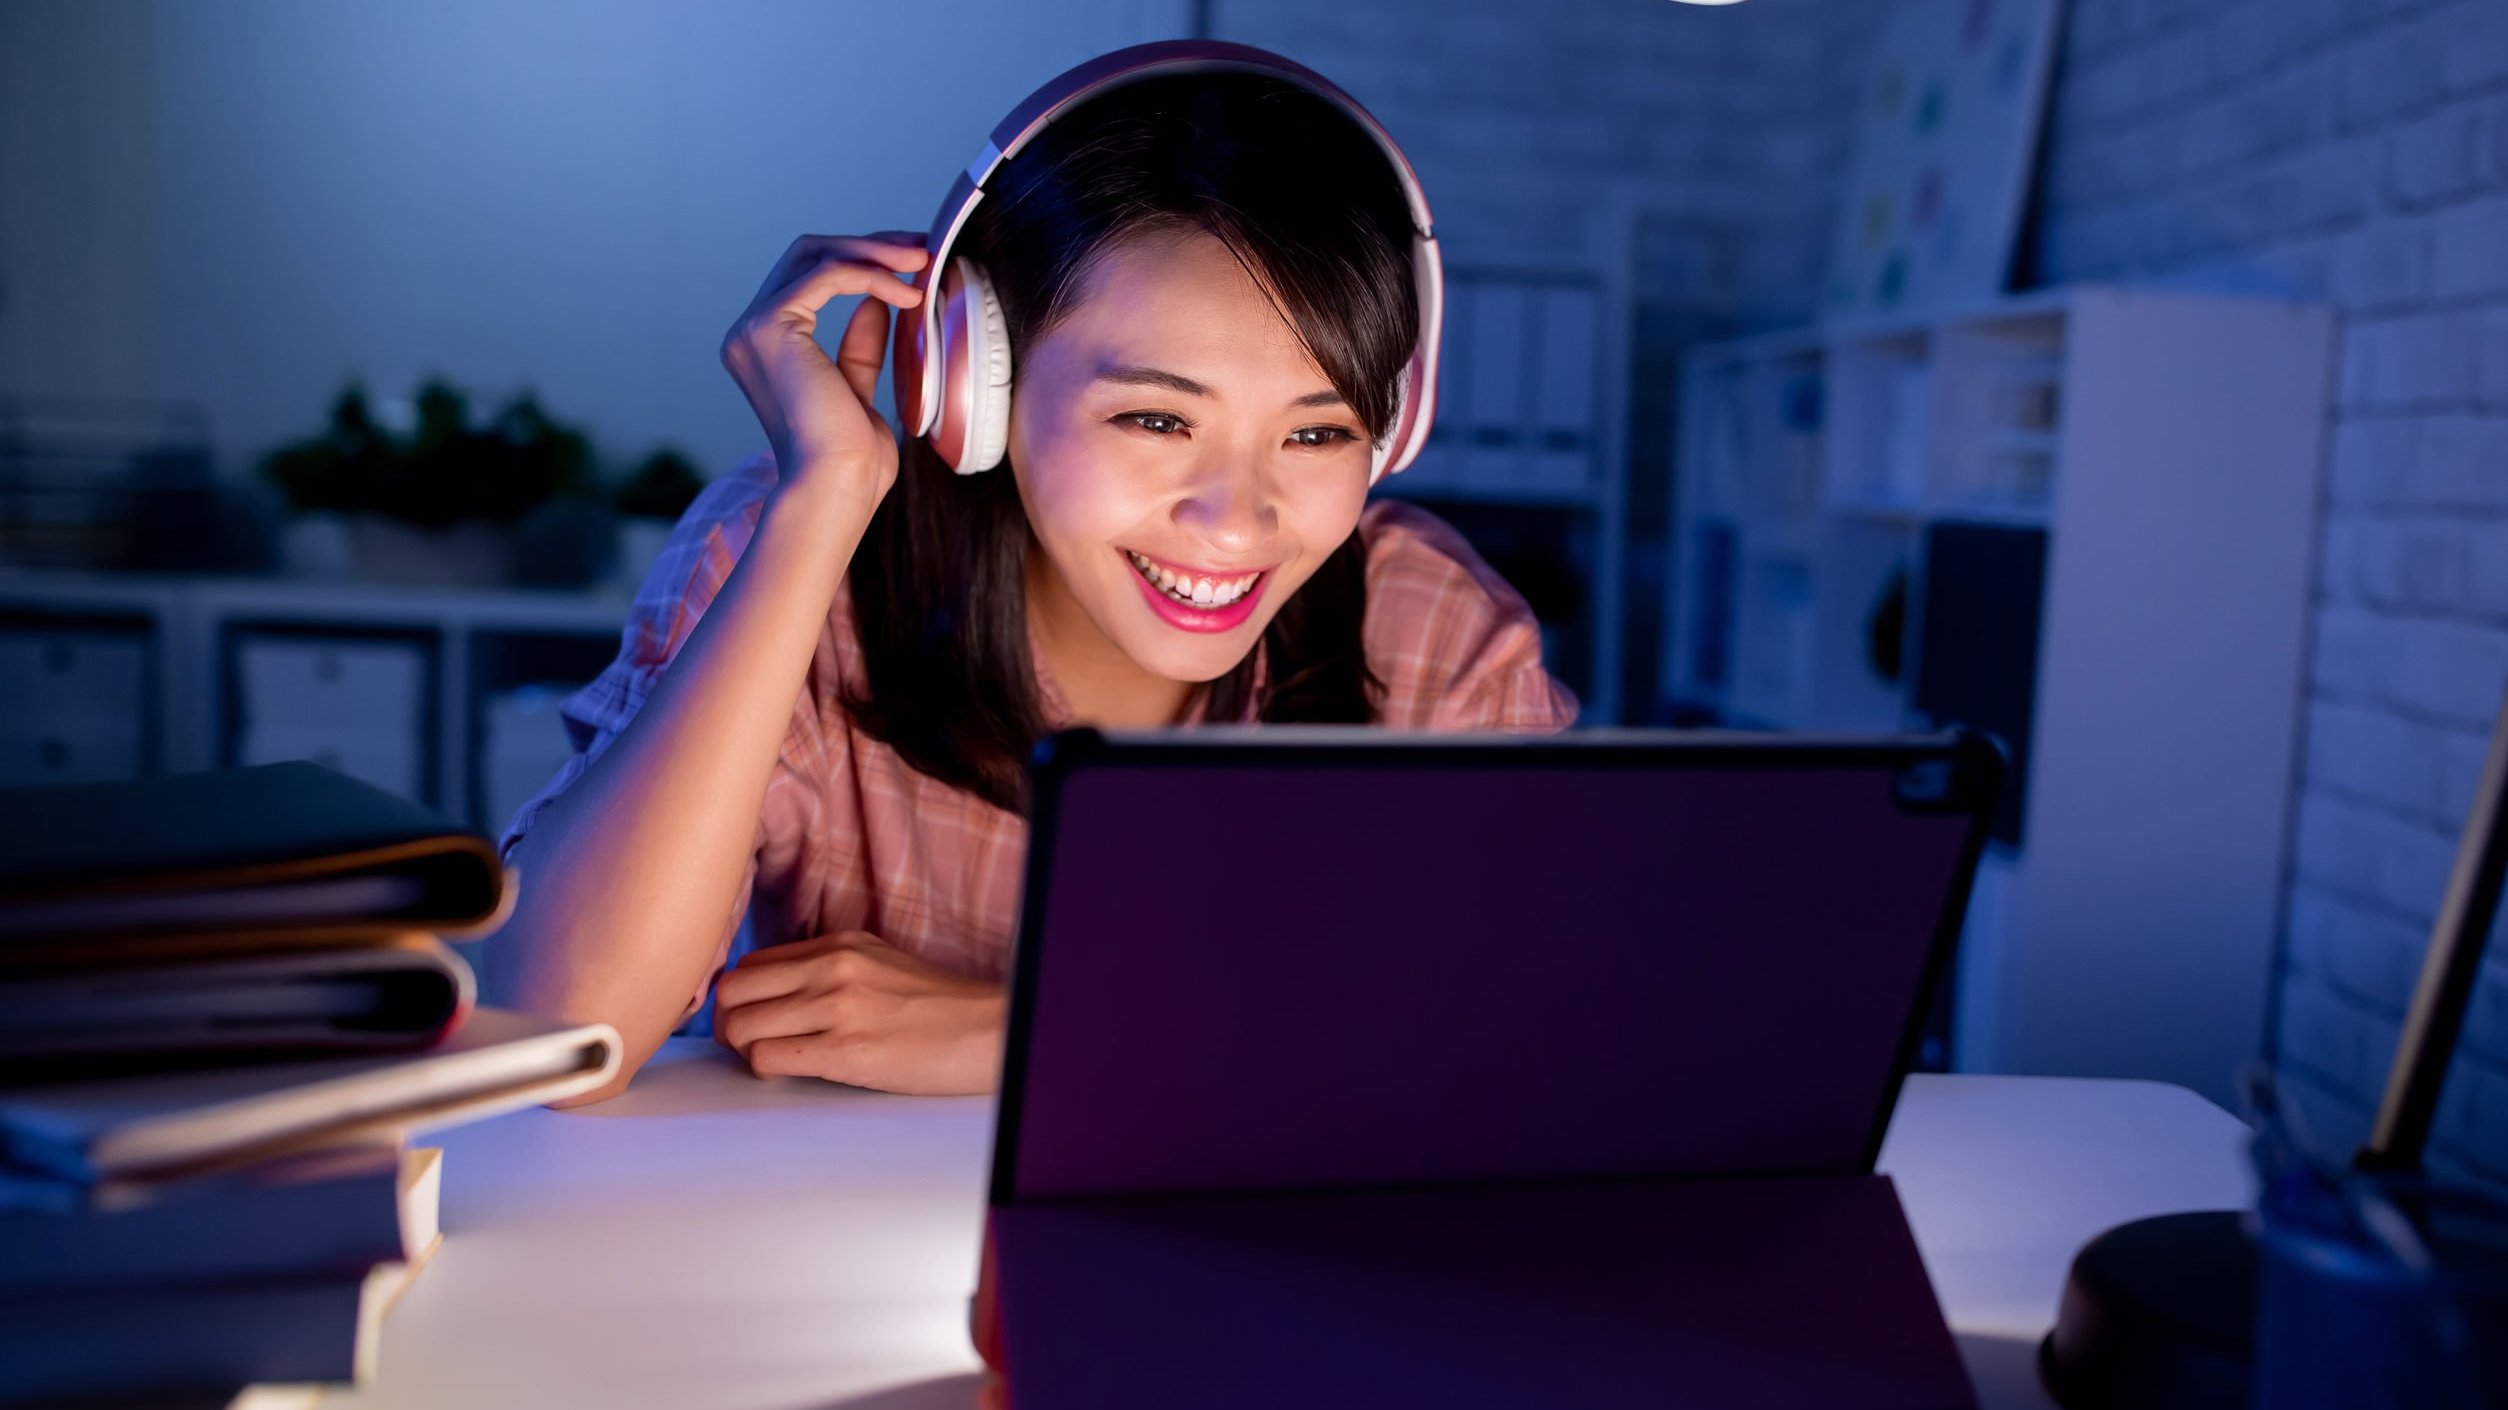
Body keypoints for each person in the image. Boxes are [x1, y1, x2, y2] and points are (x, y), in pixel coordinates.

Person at [485, 54, 1578, 1104]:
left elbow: (1555, 1032)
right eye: (1156, 418)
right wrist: (821, 497)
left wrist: (1031, 1031)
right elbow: (561, 1027)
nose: (1237, 519)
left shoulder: (1427, 630)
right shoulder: (793, 555)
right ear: (976, 385)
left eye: (1320, 432)